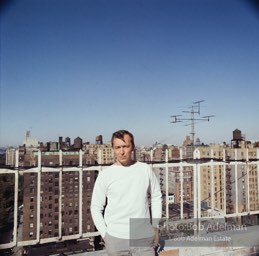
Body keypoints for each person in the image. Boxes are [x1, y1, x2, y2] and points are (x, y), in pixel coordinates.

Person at [91, 129, 162, 256]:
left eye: (125, 146)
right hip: (115, 239)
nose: (122, 152)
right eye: (118, 147)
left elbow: (156, 196)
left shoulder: (145, 170)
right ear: (113, 148)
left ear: (133, 147)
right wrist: (105, 235)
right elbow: (96, 207)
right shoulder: (105, 175)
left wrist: (155, 227)